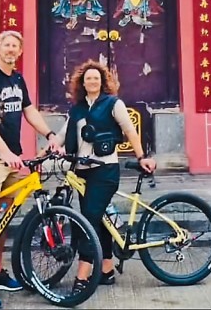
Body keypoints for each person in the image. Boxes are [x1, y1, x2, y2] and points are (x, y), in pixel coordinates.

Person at [0, 30, 62, 310]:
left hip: (11, 159)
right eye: (5, 44)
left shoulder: (18, 80)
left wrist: (50, 135)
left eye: (15, 46)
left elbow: (29, 111)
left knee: (4, 218)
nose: (10, 49)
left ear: (20, 51)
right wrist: (4, 152)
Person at [50, 60, 156, 295]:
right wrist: (44, 152)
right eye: (88, 78)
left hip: (105, 171)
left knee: (86, 221)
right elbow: (61, 134)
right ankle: (106, 270)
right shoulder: (77, 108)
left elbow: (129, 130)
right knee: (98, 221)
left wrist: (142, 157)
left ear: (103, 81)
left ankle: (82, 276)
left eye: (96, 78)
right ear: (82, 82)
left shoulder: (113, 104)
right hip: (82, 172)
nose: (92, 81)